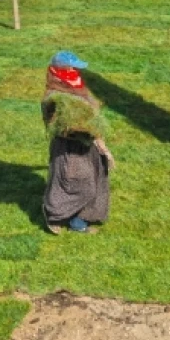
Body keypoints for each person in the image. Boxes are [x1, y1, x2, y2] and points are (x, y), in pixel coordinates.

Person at [41, 51, 114, 234]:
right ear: (59, 71)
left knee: (95, 181)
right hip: (68, 148)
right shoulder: (54, 97)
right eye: (70, 69)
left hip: (89, 144)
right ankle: (54, 216)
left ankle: (78, 222)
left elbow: (92, 115)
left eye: (76, 69)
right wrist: (79, 129)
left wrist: (102, 146)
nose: (74, 72)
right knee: (75, 184)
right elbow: (54, 126)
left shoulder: (77, 87)